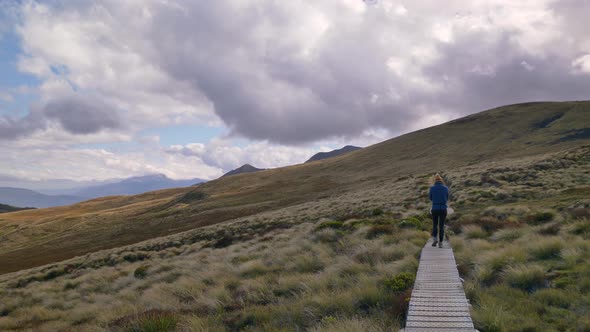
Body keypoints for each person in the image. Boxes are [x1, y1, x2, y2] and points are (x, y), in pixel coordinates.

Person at [429, 174, 449, 248]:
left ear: (435, 181)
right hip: (443, 208)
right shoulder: (446, 188)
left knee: (435, 225)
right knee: (441, 226)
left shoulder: (432, 188)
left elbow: (430, 198)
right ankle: (441, 242)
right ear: (441, 180)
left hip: (435, 208)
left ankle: (434, 240)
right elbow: (447, 198)